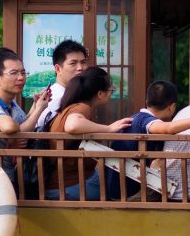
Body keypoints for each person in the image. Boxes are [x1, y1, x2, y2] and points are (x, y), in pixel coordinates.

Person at [111, 80, 190, 197]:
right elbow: (168, 128)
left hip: (117, 185)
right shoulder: (144, 120)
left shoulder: (135, 118)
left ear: (147, 101)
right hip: (125, 191)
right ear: (172, 107)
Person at [48, 67, 132, 200]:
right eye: (111, 90)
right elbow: (72, 125)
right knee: (119, 184)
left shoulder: (71, 107)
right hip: (68, 186)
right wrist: (108, 129)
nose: (111, 93)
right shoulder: (82, 108)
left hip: (57, 185)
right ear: (100, 94)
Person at [0, 49, 52, 179]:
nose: (21, 78)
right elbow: (10, 127)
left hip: (12, 172)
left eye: (23, 73)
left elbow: (23, 124)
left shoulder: (10, 100)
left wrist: (35, 106)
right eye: (14, 73)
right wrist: (11, 139)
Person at [39, 40, 89, 126]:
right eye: (73, 63)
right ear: (58, 69)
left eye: (83, 62)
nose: (80, 68)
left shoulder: (72, 95)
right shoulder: (56, 99)